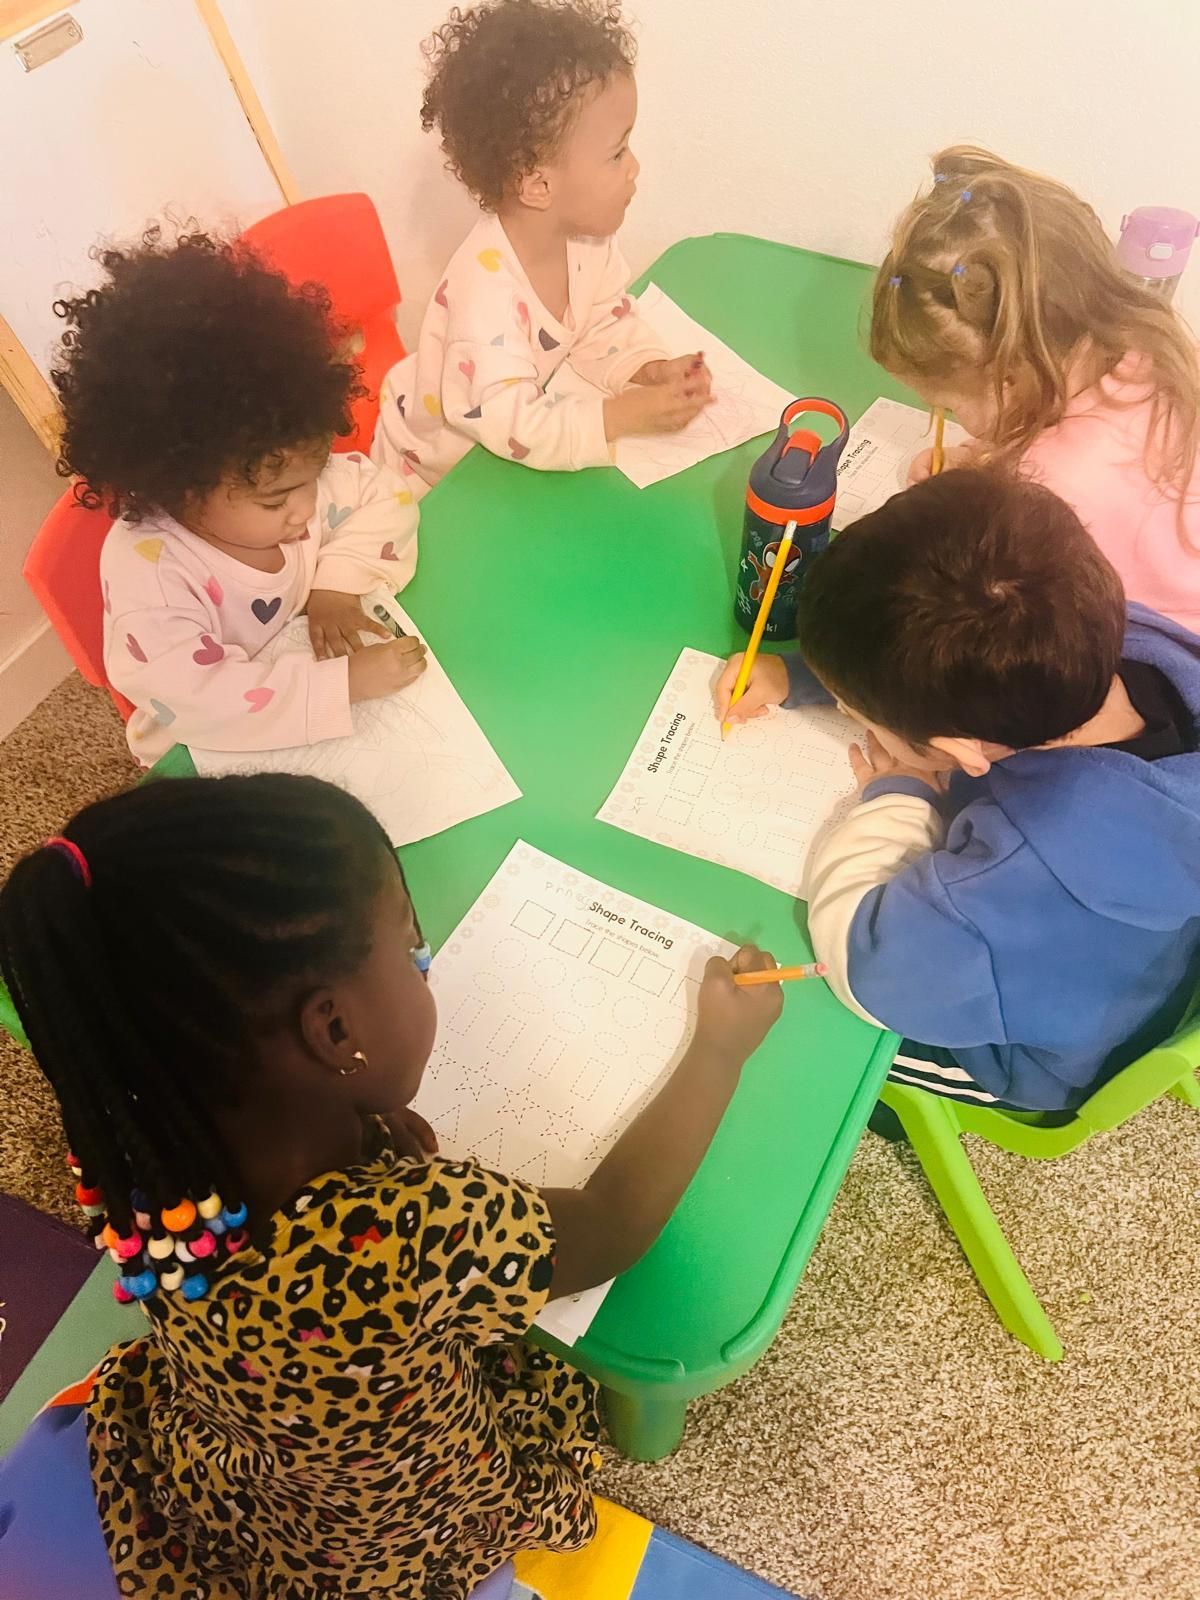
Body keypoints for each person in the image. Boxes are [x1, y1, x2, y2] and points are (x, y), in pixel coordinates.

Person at [0, 774, 781, 1599]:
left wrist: (366, 1130)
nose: (425, 959)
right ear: (335, 1029)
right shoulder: (418, 1230)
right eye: (412, 944)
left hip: (242, 1468)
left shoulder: (129, 1146)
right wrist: (719, 1054)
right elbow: (614, 1224)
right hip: (395, 1531)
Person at [717, 469, 1200, 1113]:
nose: (854, 716)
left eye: (859, 713)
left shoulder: (1029, 872)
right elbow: (945, 657)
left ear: (959, 753)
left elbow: (862, 961)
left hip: (1037, 1055)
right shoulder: (1101, 637)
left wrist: (901, 792)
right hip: (1135, 959)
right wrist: (801, 676)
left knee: (793, 1021)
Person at [52, 229, 426, 764]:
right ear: (181, 490)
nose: (304, 508)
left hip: (298, 675)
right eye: (276, 502)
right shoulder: (152, 577)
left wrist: (336, 589)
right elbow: (206, 702)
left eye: (313, 477)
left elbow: (383, 495)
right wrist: (341, 685)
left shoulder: (277, 470)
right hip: (206, 744)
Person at [372, 0, 712, 492]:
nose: (634, 166)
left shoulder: (588, 242)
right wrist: (618, 417)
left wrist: (646, 369)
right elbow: (518, 428)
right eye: (616, 154)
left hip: (503, 437)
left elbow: (602, 322)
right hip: (431, 473)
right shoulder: (484, 300)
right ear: (537, 186)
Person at [871, 146, 1200, 631]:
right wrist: (984, 460)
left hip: (1154, 652)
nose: (945, 419)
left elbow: (1000, 606)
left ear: (1010, 378)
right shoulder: (1141, 345)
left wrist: (980, 494)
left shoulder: (1050, 490)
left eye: (946, 406)